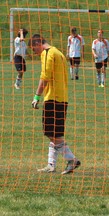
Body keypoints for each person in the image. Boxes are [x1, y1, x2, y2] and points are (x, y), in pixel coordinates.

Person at [29, 34, 81, 174]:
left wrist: (36, 96)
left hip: (53, 98)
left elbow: (45, 77)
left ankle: (72, 160)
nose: (35, 53)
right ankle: (51, 164)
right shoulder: (59, 53)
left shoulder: (48, 53)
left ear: (38, 43)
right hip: (62, 98)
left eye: (34, 49)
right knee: (54, 133)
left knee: (50, 132)